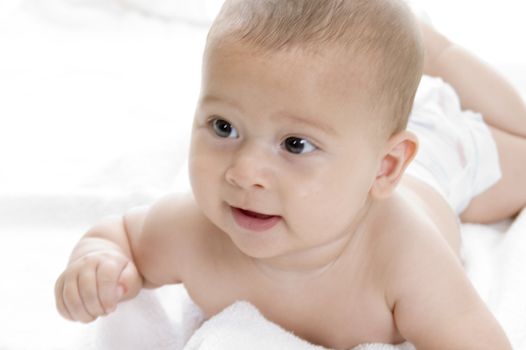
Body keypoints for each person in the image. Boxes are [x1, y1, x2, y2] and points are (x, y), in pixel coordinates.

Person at [55, 0, 525, 348]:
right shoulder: (191, 232)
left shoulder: (403, 254)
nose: (245, 173)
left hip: (439, 165)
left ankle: (436, 53)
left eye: (295, 145)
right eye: (225, 127)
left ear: (385, 167)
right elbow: (120, 234)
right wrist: (98, 261)